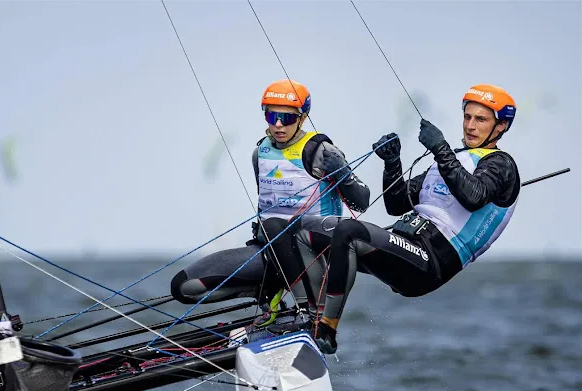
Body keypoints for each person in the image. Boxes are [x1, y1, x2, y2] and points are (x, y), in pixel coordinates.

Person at [307, 83, 520, 354]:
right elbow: (396, 204)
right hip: (405, 245)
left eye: (481, 120)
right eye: (467, 117)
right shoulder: (452, 161)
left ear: (500, 126)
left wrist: (440, 148)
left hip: (430, 262)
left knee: (349, 231)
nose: (470, 126)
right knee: (308, 231)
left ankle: (326, 330)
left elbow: (474, 196)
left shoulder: (501, 165)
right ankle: (302, 313)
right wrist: (392, 161)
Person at [170, 80, 370, 325]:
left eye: (286, 118)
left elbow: (362, 202)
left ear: (303, 118)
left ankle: (310, 315)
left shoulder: (322, 151)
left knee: (278, 226)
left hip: (315, 256)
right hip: (271, 252)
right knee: (184, 287)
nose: (277, 125)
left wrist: (342, 174)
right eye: (271, 116)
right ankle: (265, 291)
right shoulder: (260, 154)